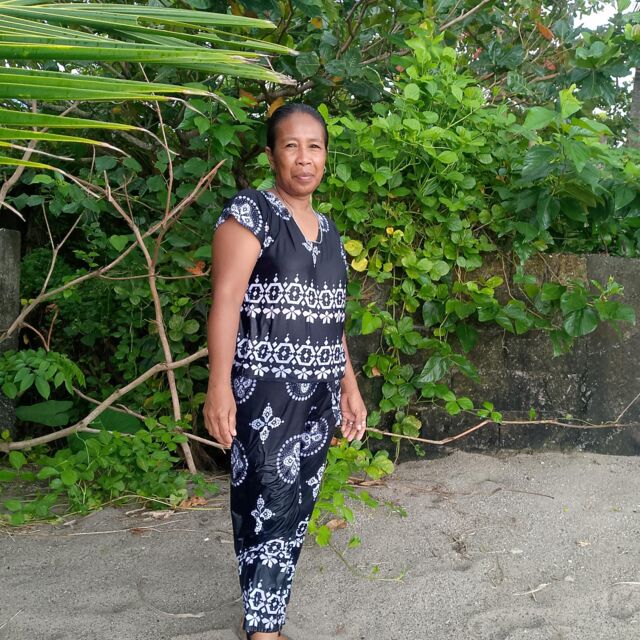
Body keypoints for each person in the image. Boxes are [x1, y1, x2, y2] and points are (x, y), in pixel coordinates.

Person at [204, 103, 367, 640]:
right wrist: (219, 385)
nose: (304, 158)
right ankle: (263, 629)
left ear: (326, 157)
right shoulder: (251, 212)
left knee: (297, 506)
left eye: (314, 147)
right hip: (264, 389)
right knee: (265, 500)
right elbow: (226, 300)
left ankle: (264, 617)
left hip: (320, 389)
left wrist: (349, 386)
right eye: (291, 146)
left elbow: (331, 316)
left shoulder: (331, 230)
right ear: (272, 154)